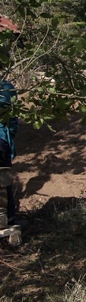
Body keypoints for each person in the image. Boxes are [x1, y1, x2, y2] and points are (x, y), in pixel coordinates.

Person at [0, 80, 19, 226]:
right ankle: (8, 220)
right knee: (4, 181)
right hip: (1, 140)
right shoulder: (6, 88)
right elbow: (12, 119)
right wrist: (8, 137)